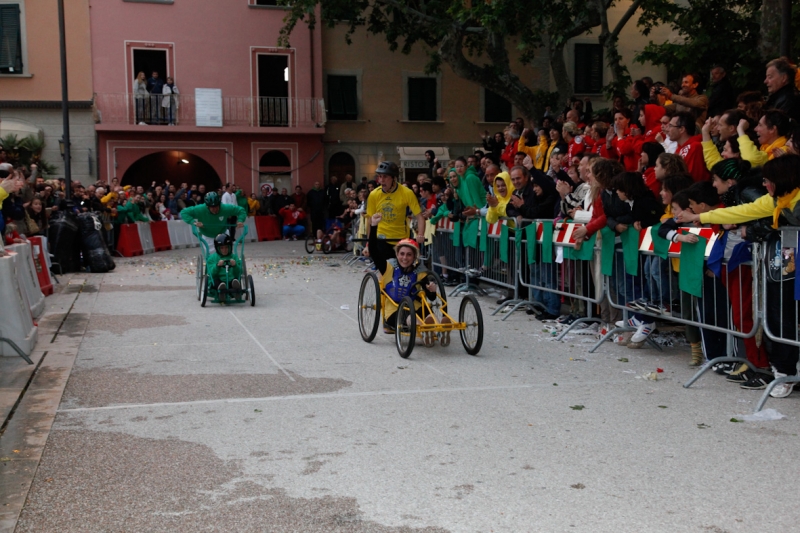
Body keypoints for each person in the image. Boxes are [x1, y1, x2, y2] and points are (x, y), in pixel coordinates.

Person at [677, 155, 800, 397]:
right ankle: (784, 372)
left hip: (789, 267)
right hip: (785, 268)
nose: (764, 185)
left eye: (767, 180)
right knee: (779, 316)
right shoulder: (776, 200)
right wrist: (699, 218)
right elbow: (740, 212)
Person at [368, 212, 442, 343]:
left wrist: (432, 291)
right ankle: (425, 329)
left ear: (414, 257)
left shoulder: (420, 271)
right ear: (397, 254)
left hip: (416, 306)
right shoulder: (388, 267)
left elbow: (430, 298)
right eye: (402, 254)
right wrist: (373, 226)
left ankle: (438, 329)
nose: (405, 258)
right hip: (395, 310)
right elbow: (374, 251)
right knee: (410, 317)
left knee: (428, 313)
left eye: (409, 255)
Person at [366, 161, 425, 264]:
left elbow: (419, 217)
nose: (381, 180)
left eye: (385, 177)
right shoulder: (374, 194)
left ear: (393, 178)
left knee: (403, 268)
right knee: (385, 270)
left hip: (401, 238)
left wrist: (420, 234)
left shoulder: (406, 193)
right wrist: (368, 243)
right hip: (381, 238)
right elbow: (370, 221)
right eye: (380, 176)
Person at [180, 191, 246, 248]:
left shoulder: (225, 208)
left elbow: (241, 210)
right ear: (207, 206)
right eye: (212, 207)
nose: (215, 209)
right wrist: (193, 222)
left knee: (227, 254)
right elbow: (184, 212)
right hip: (207, 236)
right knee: (210, 257)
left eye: (216, 206)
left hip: (223, 233)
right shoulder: (200, 209)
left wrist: (240, 220)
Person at [764, 57, 800, 123]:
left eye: (770, 77)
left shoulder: (788, 101)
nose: (765, 81)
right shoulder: (782, 99)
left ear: (784, 78)